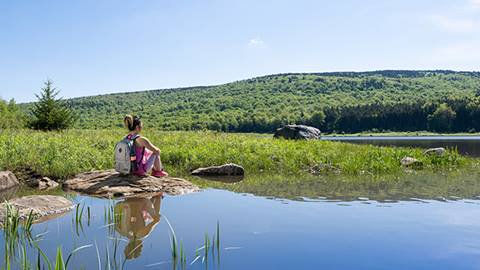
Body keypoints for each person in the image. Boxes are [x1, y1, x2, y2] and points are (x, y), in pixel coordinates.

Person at [114, 194, 163, 259]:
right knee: (147, 216)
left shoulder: (141, 235)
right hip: (126, 202)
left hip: (142, 201)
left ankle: (158, 196)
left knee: (155, 217)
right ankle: (155, 197)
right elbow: (116, 217)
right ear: (128, 245)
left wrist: (156, 217)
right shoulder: (121, 232)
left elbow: (156, 220)